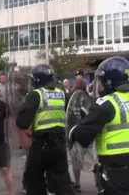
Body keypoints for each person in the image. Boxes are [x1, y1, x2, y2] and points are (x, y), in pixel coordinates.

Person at [69, 56, 129, 194]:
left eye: (101, 81)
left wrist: (74, 130)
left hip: (117, 170)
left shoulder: (107, 103)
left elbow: (83, 135)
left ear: (109, 81)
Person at [16, 64, 74, 195]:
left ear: (37, 80)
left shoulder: (36, 95)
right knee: (62, 182)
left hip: (41, 145)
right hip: (59, 145)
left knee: (34, 180)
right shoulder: (62, 94)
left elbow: (22, 122)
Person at [66, 77, 91, 193]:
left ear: (76, 85)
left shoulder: (75, 96)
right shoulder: (85, 96)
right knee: (93, 159)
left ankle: (77, 183)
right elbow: (89, 113)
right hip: (86, 132)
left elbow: (73, 115)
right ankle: (99, 185)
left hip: (74, 132)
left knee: (76, 159)